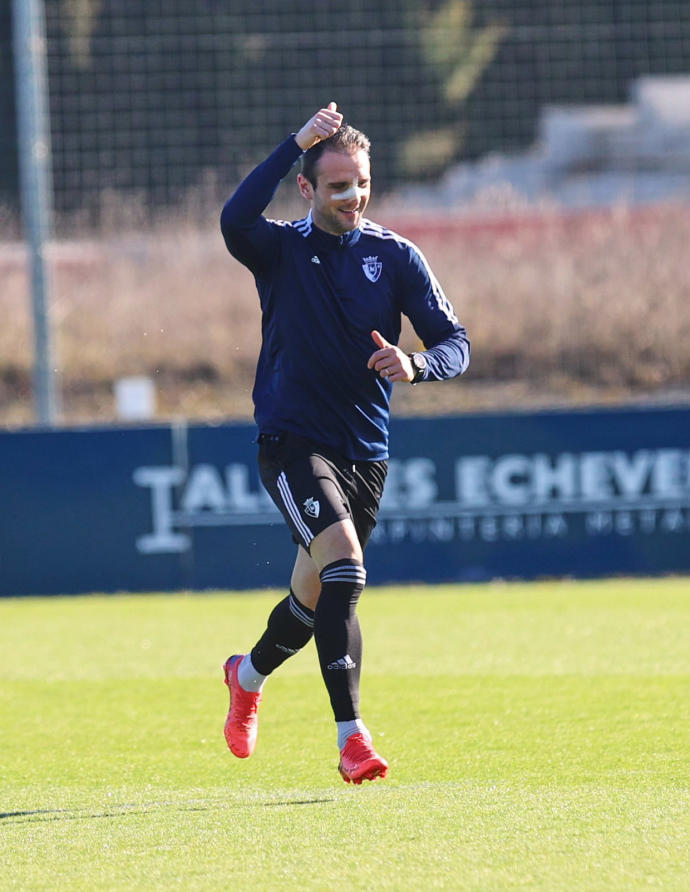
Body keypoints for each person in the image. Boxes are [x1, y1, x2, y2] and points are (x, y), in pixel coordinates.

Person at [219, 101, 470, 784]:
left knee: (313, 598)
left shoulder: (395, 257)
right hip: (292, 440)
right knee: (346, 567)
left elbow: (456, 343)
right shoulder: (279, 249)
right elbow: (233, 219)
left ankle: (246, 676)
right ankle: (353, 740)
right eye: (336, 185)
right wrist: (293, 140)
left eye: (360, 182)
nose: (353, 196)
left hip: (365, 452)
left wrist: (417, 364)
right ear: (306, 188)